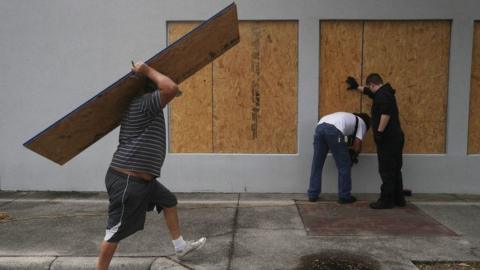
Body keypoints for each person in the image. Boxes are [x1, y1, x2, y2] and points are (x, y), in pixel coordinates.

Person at [96, 62, 206, 270]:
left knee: (168, 201)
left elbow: (170, 89)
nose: (168, 98)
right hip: (127, 179)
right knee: (114, 232)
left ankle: (180, 246)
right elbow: (171, 89)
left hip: (143, 181)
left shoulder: (147, 106)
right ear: (153, 89)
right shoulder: (144, 103)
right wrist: (146, 70)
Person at [346, 73, 406, 209]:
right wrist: (357, 87)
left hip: (388, 139)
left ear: (373, 84)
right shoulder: (384, 92)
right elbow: (369, 92)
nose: (369, 89)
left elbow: (386, 114)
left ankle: (386, 200)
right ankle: (399, 198)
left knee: (386, 170)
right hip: (396, 138)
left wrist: (379, 132)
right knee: (395, 169)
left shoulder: (383, 96)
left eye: (370, 87)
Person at [308, 112, 370, 204]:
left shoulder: (347, 117)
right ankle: (344, 196)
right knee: (344, 165)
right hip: (334, 130)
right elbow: (357, 143)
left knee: (317, 164)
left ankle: (313, 194)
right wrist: (354, 155)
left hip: (320, 127)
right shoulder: (362, 122)